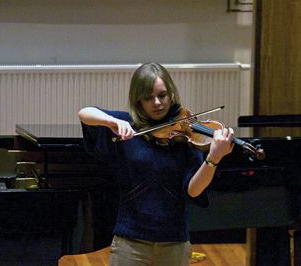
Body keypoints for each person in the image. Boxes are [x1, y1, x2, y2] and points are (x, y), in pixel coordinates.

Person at [78, 62, 234, 266]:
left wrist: (214, 158)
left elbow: (194, 191)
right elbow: (85, 113)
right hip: (130, 242)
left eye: (162, 95)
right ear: (138, 100)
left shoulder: (186, 133)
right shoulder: (127, 127)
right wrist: (110, 122)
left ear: (172, 94)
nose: (157, 103)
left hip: (174, 242)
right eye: (148, 97)